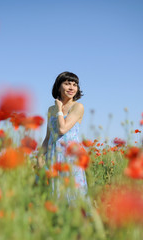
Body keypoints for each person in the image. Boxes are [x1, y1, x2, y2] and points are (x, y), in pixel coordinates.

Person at [39, 71, 88, 203]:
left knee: (72, 192)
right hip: (52, 155)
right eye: (67, 84)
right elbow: (48, 136)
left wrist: (60, 110)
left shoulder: (78, 107)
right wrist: (39, 156)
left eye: (74, 84)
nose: (72, 87)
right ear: (59, 87)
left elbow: (62, 129)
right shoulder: (51, 110)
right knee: (52, 194)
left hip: (70, 155)